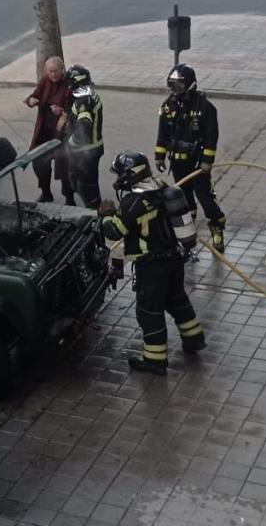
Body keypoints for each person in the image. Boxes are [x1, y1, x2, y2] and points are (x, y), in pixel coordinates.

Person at [100, 151, 206, 374]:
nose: (118, 179)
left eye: (120, 175)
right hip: (174, 260)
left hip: (151, 266)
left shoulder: (133, 203)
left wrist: (106, 214)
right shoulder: (164, 189)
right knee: (177, 300)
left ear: (129, 176)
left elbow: (113, 231)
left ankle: (154, 359)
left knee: (149, 311)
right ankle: (194, 338)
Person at [155, 64, 226, 252]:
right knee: (184, 200)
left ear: (190, 84)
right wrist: (159, 156)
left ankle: (217, 229)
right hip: (178, 163)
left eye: (179, 84)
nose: (175, 89)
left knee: (206, 199)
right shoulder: (168, 106)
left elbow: (212, 137)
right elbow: (163, 134)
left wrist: (206, 161)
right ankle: (188, 233)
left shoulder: (205, 108)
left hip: (197, 164)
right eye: (172, 85)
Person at [24, 56, 73, 203]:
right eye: (50, 71)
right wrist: (31, 101)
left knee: (64, 166)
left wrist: (62, 111)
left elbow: (74, 110)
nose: (53, 75)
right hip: (44, 132)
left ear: (62, 70)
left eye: (56, 71)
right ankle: (46, 193)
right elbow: (34, 96)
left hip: (62, 134)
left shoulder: (68, 85)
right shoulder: (45, 82)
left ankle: (69, 197)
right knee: (39, 162)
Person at [65, 64, 105, 208]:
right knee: (84, 183)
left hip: (87, 151)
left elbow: (84, 129)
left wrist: (71, 142)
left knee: (88, 187)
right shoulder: (89, 96)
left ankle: (96, 216)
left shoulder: (83, 102)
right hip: (93, 148)